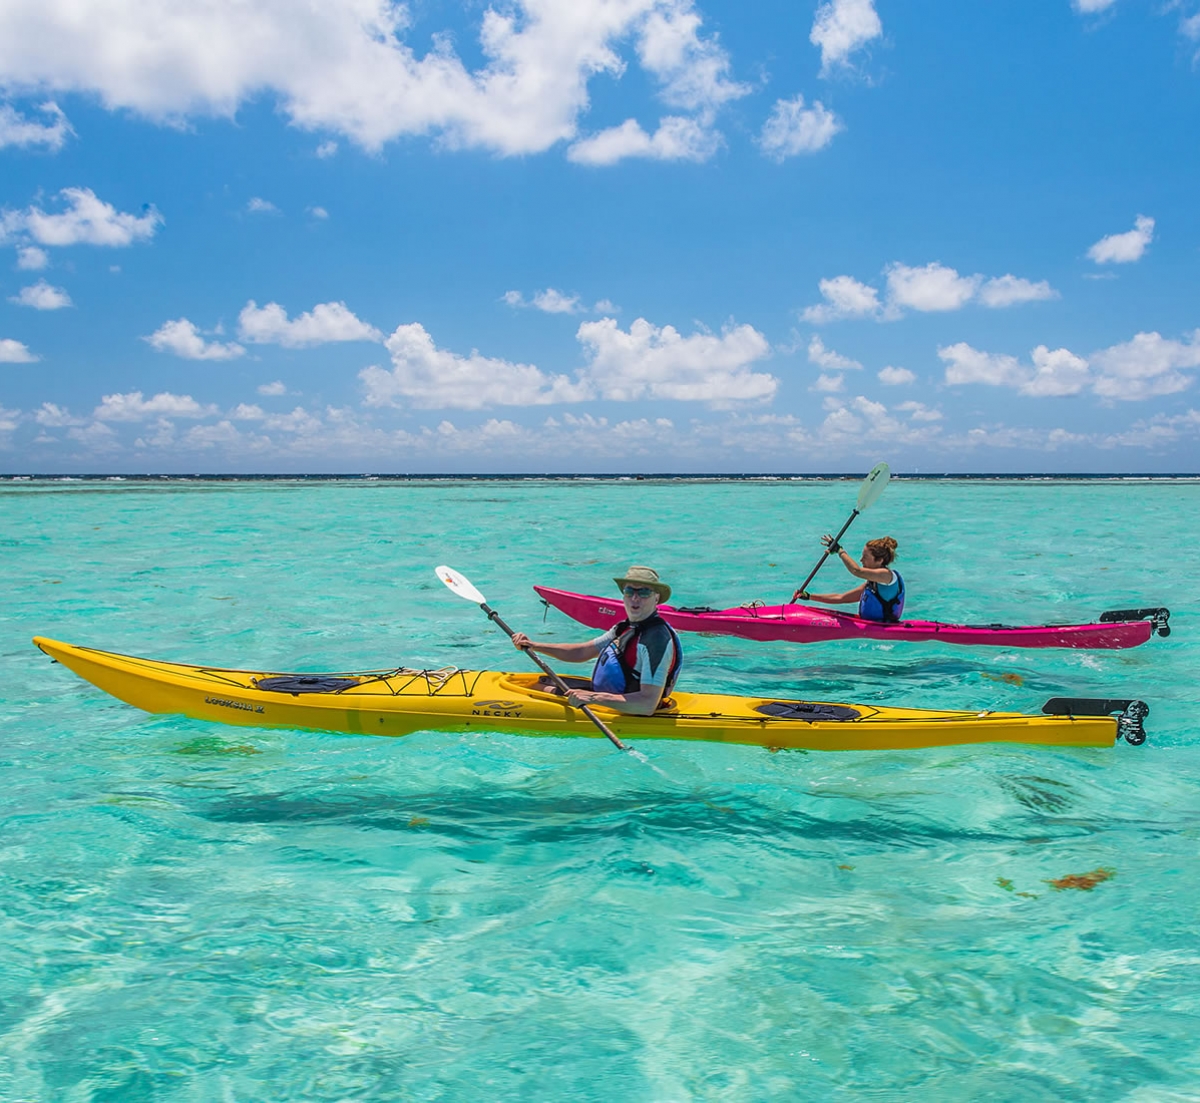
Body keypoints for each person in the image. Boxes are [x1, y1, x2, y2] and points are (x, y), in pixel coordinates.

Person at [511, 565, 682, 716]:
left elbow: (647, 705)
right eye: (630, 591)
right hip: (608, 699)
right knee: (538, 684)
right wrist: (534, 645)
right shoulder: (625, 628)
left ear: (657, 598)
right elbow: (582, 651)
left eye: (643, 592)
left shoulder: (657, 639)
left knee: (540, 690)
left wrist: (593, 698)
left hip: (631, 710)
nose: (635, 598)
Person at [791, 536, 905, 622]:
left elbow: (857, 571)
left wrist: (840, 550)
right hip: (874, 625)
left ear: (879, 560)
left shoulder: (887, 576)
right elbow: (841, 597)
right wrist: (809, 596)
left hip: (883, 627)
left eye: (865, 557)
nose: (861, 560)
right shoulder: (873, 584)